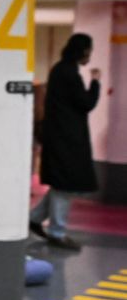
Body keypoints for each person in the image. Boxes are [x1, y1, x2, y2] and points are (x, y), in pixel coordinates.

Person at [30, 33, 100, 251]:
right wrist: (96, 82)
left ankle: (34, 218)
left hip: (59, 137)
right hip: (65, 140)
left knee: (61, 185)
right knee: (64, 185)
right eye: (89, 50)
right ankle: (57, 232)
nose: (90, 55)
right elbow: (86, 103)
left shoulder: (60, 70)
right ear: (83, 51)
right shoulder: (69, 73)